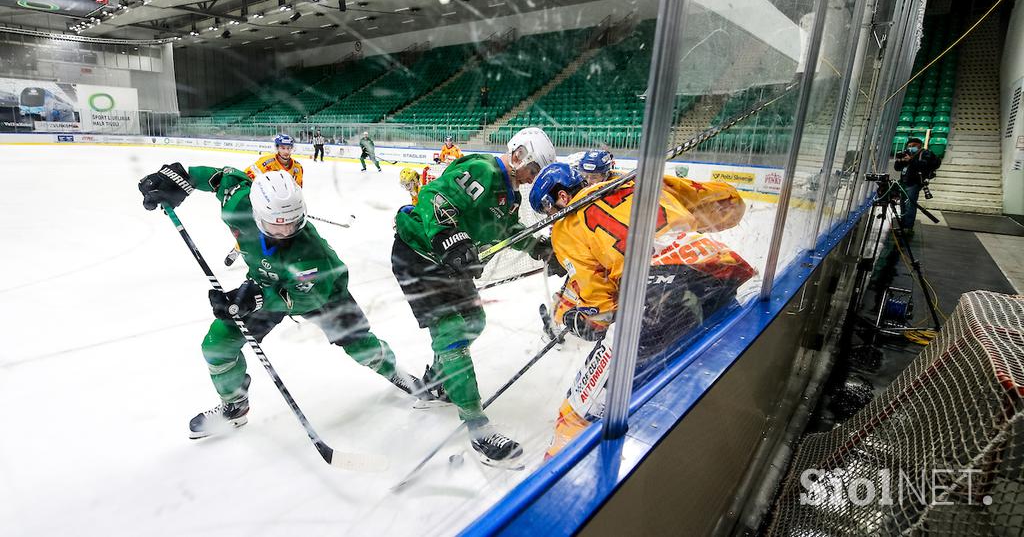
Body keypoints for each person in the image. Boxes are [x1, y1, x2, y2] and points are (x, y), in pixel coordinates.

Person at [137, 165, 432, 439]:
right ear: (255, 212)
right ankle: (234, 405)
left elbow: (305, 298)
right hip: (264, 283)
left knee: (360, 346)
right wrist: (176, 179)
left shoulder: (310, 252)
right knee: (217, 345)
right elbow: (221, 178)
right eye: (275, 226)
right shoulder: (238, 203)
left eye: (292, 224)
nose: (284, 233)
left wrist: (251, 299)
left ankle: (397, 373)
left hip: (324, 293)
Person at [529, 163, 754, 458]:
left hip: (659, 299)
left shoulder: (564, 228)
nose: (550, 219)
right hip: (719, 269)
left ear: (559, 197)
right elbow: (729, 202)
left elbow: (604, 313)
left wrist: (575, 318)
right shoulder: (638, 181)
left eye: (548, 211)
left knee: (575, 414)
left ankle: (557, 488)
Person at [390, 127, 557, 467]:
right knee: (451, 335)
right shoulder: (483, 170)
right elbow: (435, 198)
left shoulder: (511, 198)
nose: (532, 178)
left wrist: (537, 248)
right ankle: (477, 428)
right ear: (520, 154)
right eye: (534, 169)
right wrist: (450, 240)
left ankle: (438, 381)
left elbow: (507, 232)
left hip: (448, 266)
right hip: (419, 256)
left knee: (473, 321)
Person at [225, 134, 304, 266]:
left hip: (284, 208)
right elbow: (246, 177)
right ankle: (239, 248)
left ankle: (282, 257)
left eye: (289, 148)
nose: (286, 151)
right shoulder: (265, 163)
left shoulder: (297, 168)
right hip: (265, 204)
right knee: (253, 229)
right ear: (277, 148)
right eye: (283, 148)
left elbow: (297, 190)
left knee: (287, 232)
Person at [894, 137, 941, 232]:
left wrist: (911, 160)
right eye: (909, 146)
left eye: (914, 146)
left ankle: (908, 227)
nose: (911, 148)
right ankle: (903, 225)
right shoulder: (907, 154)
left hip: (914, 183)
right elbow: (897, 168)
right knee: (903, 204)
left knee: (910, 205)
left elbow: (923, 166)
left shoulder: (925, 153)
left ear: (919, 146)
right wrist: (900, 160)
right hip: (904, 182)